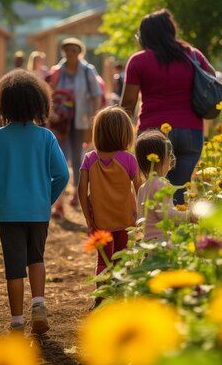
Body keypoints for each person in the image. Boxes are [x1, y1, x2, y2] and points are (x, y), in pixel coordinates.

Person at [0, 69, 70, 334]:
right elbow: (62, 174)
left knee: (14, 268)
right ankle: (38, 305)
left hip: (8, 213)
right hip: (38, 211)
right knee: (36, 258)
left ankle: (16, 321)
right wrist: (46, 199)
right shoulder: (46, 137)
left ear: (4, 104)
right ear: (38, 103)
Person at [121, 9, 216, 205]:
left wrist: (121, 136)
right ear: (171, 30)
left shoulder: (138, 61)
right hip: (191, 131)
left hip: (152, 132)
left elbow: (128, 103)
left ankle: (154, 234)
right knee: (180, 190)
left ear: (145, 35)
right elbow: (213, 80)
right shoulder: (193, 56)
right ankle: (177, 232)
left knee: (153, 191)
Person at [77, 106, 140, 308]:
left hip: (100, 220)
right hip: (125, 219)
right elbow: (139, 187)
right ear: (125, 133)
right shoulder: (128, 159)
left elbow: (80, 190)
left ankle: (100, 298)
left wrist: (88, 218)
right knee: (122, 256)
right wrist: (140, 215)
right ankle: (120, 296)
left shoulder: (90, 158)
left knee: (103, 260)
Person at [47, 37, 103, 216]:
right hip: (60, 122)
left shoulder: (87, 71)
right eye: (67, 50)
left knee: (78, 159)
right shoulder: (57, 71)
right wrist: (50, 113)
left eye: (74, 50)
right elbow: (49, 92)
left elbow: (96, 95)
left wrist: (94, 119)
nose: (70, 53)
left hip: (80, 120)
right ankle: (59, 201)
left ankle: (77, 194)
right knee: (60, 158)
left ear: (80, 52)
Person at [135, 130, 188, 242]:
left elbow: (140, 219)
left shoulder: (143, 188)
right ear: (163, 159)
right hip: (161, 245)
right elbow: (168, 215)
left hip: (147, 244)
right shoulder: (161, 184)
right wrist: (189, 216)